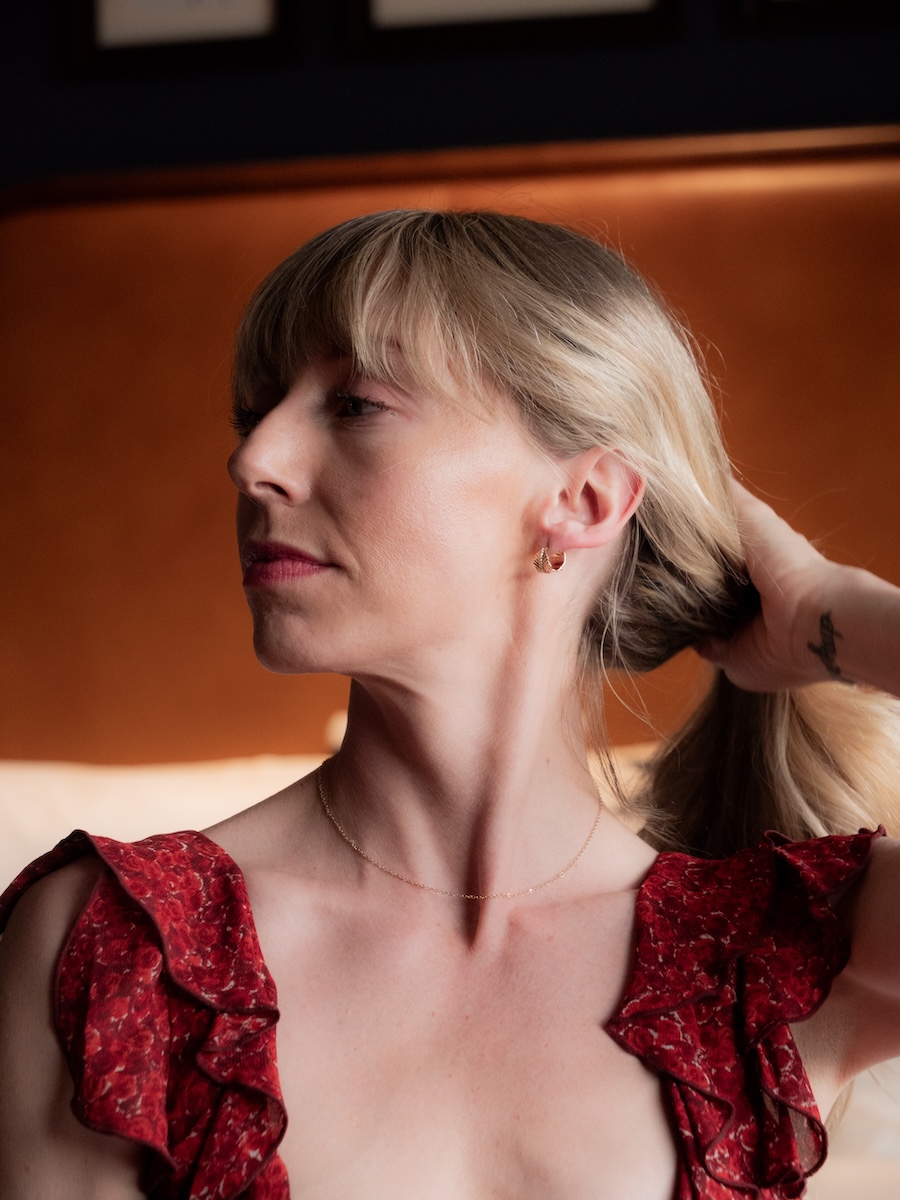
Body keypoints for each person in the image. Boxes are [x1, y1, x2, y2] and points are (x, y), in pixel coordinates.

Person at [1, 208, 900, 1200]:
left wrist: (834, 615)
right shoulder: (125, 957)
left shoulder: (788, 955)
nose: (254, 461)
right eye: (256, 410)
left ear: (587, 500)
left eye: (352, 405)